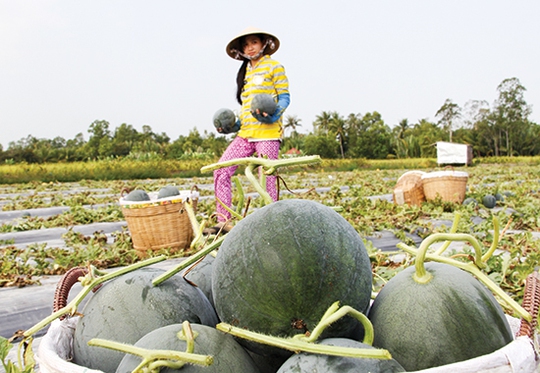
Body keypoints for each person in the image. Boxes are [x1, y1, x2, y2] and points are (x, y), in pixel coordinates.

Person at [208, 26, 290, 234]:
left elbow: (284, 97)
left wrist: (274, 115)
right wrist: (232, 127)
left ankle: (273, 223)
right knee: (221, 170)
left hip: (268, 134)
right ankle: (223, 219)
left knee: (267, 177)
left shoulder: (274, 67)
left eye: (254, 42)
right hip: (246, 135)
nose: (250, 47)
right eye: (246, 44)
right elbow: (247, 111)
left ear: (263, 44)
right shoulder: (245, 73)